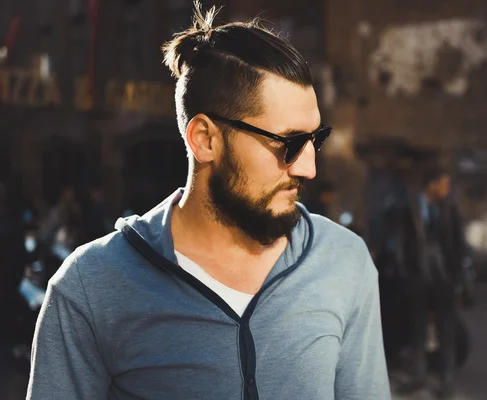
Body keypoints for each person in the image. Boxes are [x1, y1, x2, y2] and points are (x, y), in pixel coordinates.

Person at [27, 5, 390, 400]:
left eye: (315, 140)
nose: (309, 168)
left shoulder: (344, 261)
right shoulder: (90, 287)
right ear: (205, 139)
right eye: (289, 144)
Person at [393, 166, 466, 398]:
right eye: (443, 184)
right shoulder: (410, 209)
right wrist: (405, 271)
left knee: (446, 331)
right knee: (418, 331)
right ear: (431, 184)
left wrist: (458, 277)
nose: (446, 189)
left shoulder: (449, 209)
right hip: (418, 278)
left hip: (443, 278)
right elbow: (401, 242)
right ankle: (418, 376)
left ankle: (447, 382)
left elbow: (458, 244)